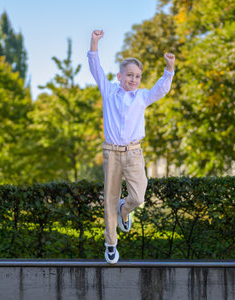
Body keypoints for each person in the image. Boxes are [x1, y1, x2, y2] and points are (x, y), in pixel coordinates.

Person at [88, 29, 175, 264]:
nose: (133, 79)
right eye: (129, 75)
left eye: (137, 76)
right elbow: (95, 69)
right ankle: (111, 243)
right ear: (119, 76)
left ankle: (124, 210)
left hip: (134, 152)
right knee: (109, 197)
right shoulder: (108, 92)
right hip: (112, 152)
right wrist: (94, 42)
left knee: (138, 196)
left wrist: (169, 69)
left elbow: (162, 89)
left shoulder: (143, 96)